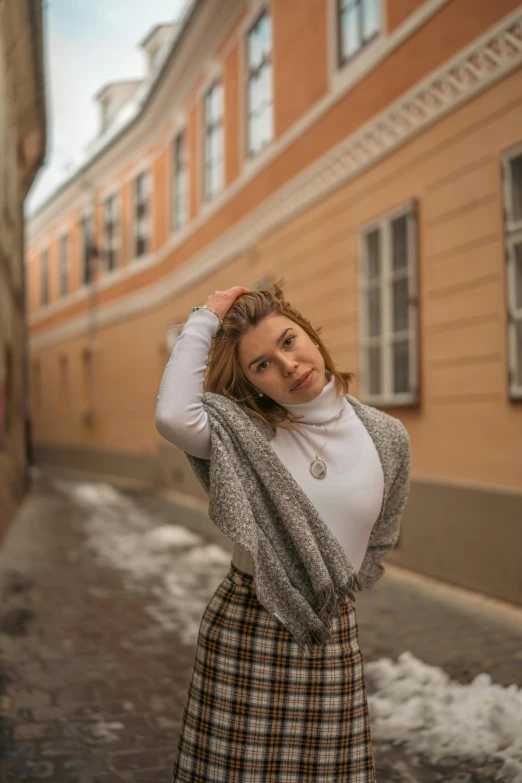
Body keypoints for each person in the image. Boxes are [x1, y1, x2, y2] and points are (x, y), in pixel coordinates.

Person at [155, 280, 410, 782]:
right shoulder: (243, 433)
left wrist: (334, 583)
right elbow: (172, 415)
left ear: (309, 333)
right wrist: (206, 317)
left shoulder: (385, 435)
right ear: (252, 383)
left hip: (329, 633)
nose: (287, 365)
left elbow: (383, 531)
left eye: (288, 341)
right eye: (262, 365)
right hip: (247, 627)